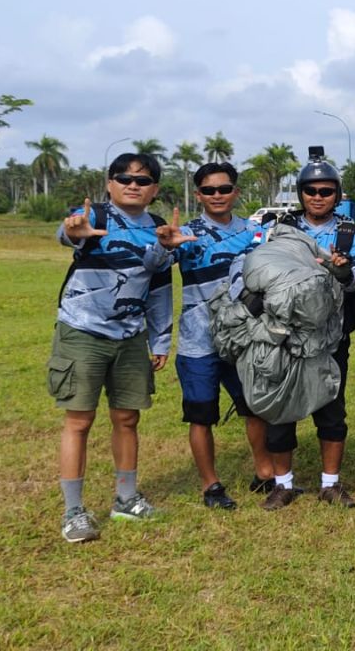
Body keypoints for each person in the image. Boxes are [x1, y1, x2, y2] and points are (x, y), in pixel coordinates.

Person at [50, 153, 172, 542]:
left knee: (127, 419)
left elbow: (160, 287)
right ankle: (73, 512)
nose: (132, 184)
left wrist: (161, 337)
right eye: (124, 178)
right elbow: (67, 232)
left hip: (131, 336)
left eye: (143, 180)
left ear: (154, 190)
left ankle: (126, 498)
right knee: (79, 421)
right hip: (82, 330)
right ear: (109, 183)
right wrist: (74, 231)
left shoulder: (157, 227)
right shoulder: (94, 217)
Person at [154, 162, 273, 508]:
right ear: (198, 194)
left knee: (255, 407)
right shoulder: (186, 234)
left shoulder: (256, 232)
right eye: (209, 190)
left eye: (224, 189)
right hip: (198, 340)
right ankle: (211, 486)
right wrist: (165, 247)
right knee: (201, 414)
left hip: (244, 337)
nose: (217, 195)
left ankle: (265, 472)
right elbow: (157, 266)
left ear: (236, 192)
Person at [259, 146, 355, 510]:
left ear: (337, 194)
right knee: (280, 405)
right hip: (286, 334)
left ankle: (331, 483)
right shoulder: (279, 230)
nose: (318, 197)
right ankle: (283, 484)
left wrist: (342, 271)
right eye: (311, 190)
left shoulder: (351, 233)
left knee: (332, 406)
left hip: (330, 334)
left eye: (326, 191)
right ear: (301, 192)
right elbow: (261, 268)